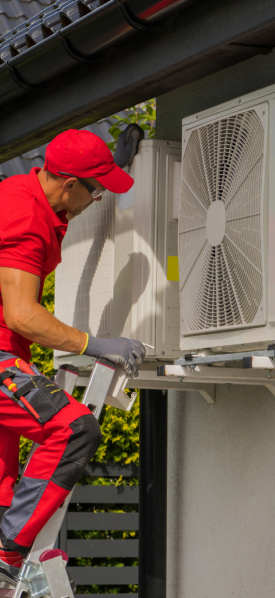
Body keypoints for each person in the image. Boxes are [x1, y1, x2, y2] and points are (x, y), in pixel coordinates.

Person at [0, 125, 145, 571]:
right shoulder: (25, 218)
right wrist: (97, 344)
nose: (96, 201)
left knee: (4, 489)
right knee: (72, 429)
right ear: (68, 185)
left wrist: (112, 167)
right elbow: (21, 315)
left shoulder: (21, 190)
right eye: (96, 191)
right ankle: (6, 556)